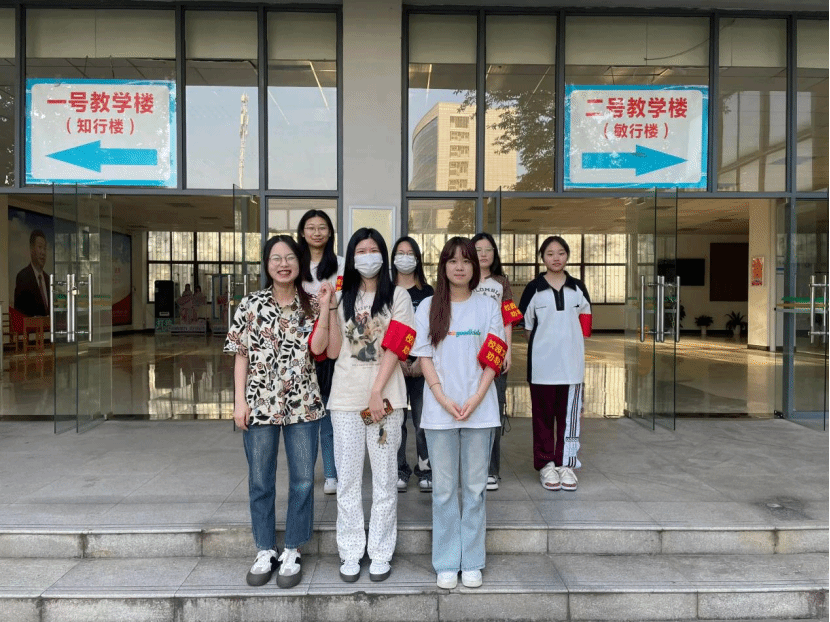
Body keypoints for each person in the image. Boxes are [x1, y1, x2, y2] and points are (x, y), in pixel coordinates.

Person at [224, 234, 330, 589]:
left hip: (303, 404)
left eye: (290, 258)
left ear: (300, 263)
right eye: (276, 258)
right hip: (259, 404)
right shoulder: (250, 304)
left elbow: (322, 350)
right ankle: (265, 548)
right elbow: (241, 355)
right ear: (267, 264)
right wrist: (240, 402)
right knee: (260, 479)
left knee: (303, 480)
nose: (283, 264)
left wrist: (327, 309)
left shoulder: (313, 304)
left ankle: (293, 549)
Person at [318, 228, 415, 583]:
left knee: (386, 480)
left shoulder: (398, 296)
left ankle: (380, 551)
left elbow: (397, 346)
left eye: (374, 249)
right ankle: (350, 550)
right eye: (361, 250)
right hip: (345, 400)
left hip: (386, 401)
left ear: (383, 256)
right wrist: (328, 307)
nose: (368, 256)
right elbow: (331, 351)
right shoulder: (342, 297)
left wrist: (376, 391)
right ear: (351, 257)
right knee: (347, 480)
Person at [411, 236, 505, 590]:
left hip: (481, 410)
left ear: (475, 266)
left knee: (475, 489)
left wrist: (478, 396)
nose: (460, 267)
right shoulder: (428, 306)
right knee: (444, 490)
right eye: (452, 260)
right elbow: (424, 355)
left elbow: (495, 355)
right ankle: (448, 561)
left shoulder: (488, 306)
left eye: (466, 260)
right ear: (443, 267)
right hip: (440, 411)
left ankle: (473, 560)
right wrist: (441, 396)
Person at [518, 235, 591, 492]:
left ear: (567, 256)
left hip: (572, 368)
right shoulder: (533, 288)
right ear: (542, 258)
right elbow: (527, 328)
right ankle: (546, 464)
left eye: (560, 253)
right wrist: (546, 347)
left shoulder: (578, 288)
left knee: (569, 419)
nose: (556, 258)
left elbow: (585, 326)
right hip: (541, 369)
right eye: (550, 254)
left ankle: (566, 464)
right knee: (543, 419)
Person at [297, 209, 345, 496]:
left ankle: (331, 473)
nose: (317, 232)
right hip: (300, 348)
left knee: (327, 412)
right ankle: (304, 473)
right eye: (311, 227)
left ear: (330, 232)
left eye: (322, 227)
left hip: (333, 348)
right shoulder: (295, 264)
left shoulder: (341, 265)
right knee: (303, 416)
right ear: (302, 233)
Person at [470, 232, 523, 491]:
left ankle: (491, 470)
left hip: (495, 351)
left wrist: (508, 352)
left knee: (493, 411)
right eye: (478, 249)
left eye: (488, 249)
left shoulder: (501, 282)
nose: (483, 254)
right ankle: (470, 469)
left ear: (494, 253)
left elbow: (507, 320)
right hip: (469, 350)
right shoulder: (465, 278)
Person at [390, 236, 434, 493]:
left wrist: (420, 360)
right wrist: (396, 359)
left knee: (421, 422)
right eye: (400, 253)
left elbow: (434, 331)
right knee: (396, 422)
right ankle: (399, 469)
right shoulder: (386, 291)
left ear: (418, 259)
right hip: (392, 367)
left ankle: (425, 469)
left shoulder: (428, 293)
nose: (405, 258)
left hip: (421, 367)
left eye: (410, 253)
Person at [14, 229, 50, 317]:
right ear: (31, 249)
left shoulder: (48, 279)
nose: (43, 252)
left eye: (45, 248)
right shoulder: (23, 277)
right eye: (40, 247)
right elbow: (20, 313)